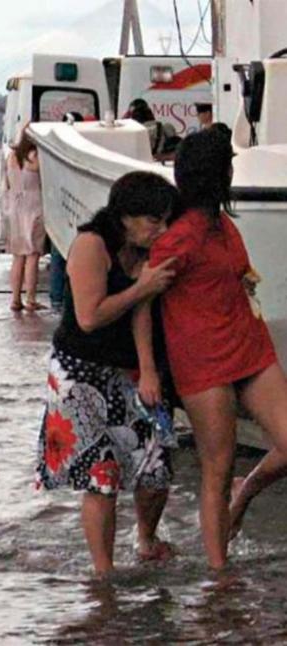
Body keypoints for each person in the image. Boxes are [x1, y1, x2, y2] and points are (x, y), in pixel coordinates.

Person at [145, 128, 287, 570]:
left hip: (248, 346)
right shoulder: (178, 238)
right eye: (228, 166)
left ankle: (246, 492)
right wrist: (148, 369)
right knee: (217, 467)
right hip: (202, 361)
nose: (232, 173)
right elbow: (144, 303)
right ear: (217, 174)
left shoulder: (223, 225)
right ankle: (218, 572)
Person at [36, 171, 180, 576]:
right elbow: (89, 317)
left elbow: (142, 312)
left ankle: (146, 539)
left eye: (166, 221)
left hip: (128, 368)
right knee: (102, 474)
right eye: (153, 221)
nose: (162, 229)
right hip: (79, 372)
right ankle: (104, 571)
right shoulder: (90, 245)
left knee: (156, 463)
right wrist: (140, 288)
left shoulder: (143, 250)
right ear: (125, 217)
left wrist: (149, 371)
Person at [5, 132, 46, 311]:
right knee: (32, 255)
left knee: (18, 256)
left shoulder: (11, 156)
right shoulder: (36, 156)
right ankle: (31, 299)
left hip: (15, 207)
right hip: (34, 206)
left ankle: (15, 299)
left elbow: (7, 182)